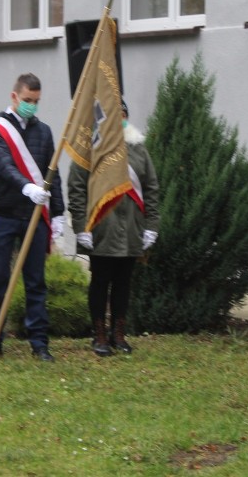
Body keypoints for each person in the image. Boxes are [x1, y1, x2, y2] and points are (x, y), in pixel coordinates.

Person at [0, 73, 65, 362]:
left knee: (35, 280)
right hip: (6, 214)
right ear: (14, 97)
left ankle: (39, 343)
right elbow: (4, 167)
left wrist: (57, 213)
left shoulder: (44, 132)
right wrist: (27, 187)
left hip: (36, 216)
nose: (31, 106)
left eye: (36, 102)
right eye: (27, 101)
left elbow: (52, 172)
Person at [68, 100, 160, 356]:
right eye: (113, 115)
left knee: (123, 283)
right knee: (100, 281)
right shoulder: (89, 148)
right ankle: (99, 335)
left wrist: (151, 225)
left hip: (132, 227)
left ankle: (118, 334)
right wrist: (80, 226)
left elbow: (150, 187)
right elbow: (76, 188)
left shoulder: (138, 147)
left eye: (122, 114)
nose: (118, 119)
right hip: (101, 227)